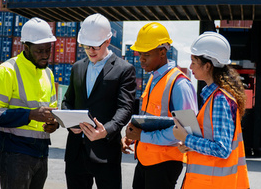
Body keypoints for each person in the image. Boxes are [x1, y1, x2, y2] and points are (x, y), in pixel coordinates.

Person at [62, 13, 137, 189]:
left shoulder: (124, 70)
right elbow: (67, 101)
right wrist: (68, 122)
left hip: (105, 153)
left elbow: (125, 108)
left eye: (95, 46)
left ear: (108, 40)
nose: (90, 51)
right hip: (75, 153)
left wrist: (106, 131)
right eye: (86, 46)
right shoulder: (77, 67)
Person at [0, 18, 60, 189]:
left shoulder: (48, 74)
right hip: (14, 154)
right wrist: (30, 114)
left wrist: (53, 124)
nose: (45, 55)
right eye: (40, 50)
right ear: (25, 47)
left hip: (41, 153)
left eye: (48, 49)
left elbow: (53, 110)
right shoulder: (7, 70)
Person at [120, 22, 198, 189]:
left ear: (162, 52)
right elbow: (149, 119)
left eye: (146, 54)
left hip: (164, 164)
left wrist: (143, 137)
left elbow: (186, 130)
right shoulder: (153, 78)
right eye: (140, 53)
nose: (141, 59)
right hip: (145, 161)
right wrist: (134, 135)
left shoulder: (180, 84)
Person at [172, 32, 250, 189]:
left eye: (194, 62)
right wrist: (190, 145)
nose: (190, 66)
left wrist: (187, 139)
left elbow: (222, 149)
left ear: (208, 66)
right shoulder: (214, 97)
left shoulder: (220, 99)